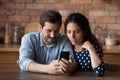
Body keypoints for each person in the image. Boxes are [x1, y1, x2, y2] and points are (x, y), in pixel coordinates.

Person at [19, 10, 76, 74]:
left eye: (56, 31)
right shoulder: (28, 39)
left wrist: (71, 66)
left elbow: (71, 60)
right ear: (40, 28)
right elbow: (24, 62)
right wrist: (47, 69)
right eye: (49, 30)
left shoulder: (65, 39)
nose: (53, 35)